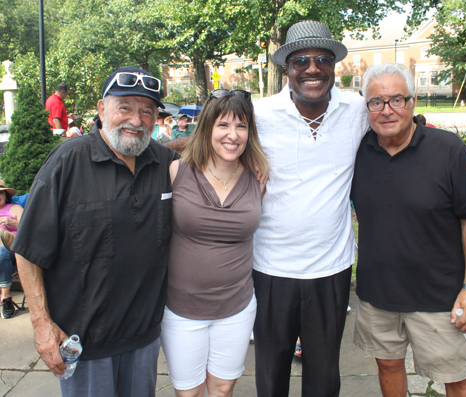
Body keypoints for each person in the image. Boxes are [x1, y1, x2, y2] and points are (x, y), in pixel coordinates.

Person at [13, 67, 179, 397]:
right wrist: (41, 326)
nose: (136, 119)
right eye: (125, 107)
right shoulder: (67, 162)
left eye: (147, 110)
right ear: (102, 109)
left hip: (143, 340)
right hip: (84, 346)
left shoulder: (164, 164)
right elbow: (28, 249)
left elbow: (213, 155)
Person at [351, 62, 466, 397]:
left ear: (413, 102)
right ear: (365, 106)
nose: (386, 110)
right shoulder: (357, 152)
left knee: (453, 375)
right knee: (387, 364)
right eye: (376, 102)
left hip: (438, 294)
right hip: (377, 292)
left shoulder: (448, 149)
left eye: (397, 99)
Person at [252, 20, 370, 397]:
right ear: (287, 69)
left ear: (335, 66)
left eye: (323, 59)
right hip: (270, 267)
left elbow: (398, 126)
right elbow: (209, 143)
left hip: (330, 268)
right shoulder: (258, 115)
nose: (313, 69)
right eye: (301, 61)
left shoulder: (357, 109)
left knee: (324, 374)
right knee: (271, 373)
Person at [160, 89, 267, 397]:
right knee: (189, 393)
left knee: (222, 391)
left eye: (242, 126)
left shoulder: (258, 179)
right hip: (182, 309)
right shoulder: (177, 171)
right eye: (223, 125)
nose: (232, 135)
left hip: (236, 307)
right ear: (207, 128)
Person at [0, 180, 23, 319]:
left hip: (14, 251)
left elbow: (31, 228)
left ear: (5, 194)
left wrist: (13, 223)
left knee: (1, 251)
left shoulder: (14, 208)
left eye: (0, 192)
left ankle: (6, 297)